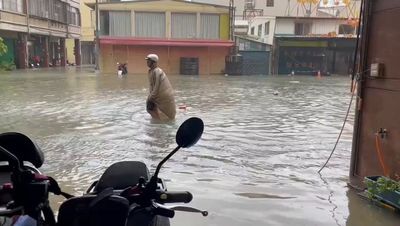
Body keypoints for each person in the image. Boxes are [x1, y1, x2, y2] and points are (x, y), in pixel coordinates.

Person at [145, 54, 176, 120]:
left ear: (154, 62)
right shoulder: (151, 71)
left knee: (167, 115)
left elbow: (156, 86)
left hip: (163, 97)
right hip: (156, 96)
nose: (147, 63)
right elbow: (152, 86)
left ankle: (159, 123)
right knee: (150, 108)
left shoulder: (157, 71)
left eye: (149, 61)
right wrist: (150, 96)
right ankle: (157, 121)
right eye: (147, 61)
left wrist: (151, 97)